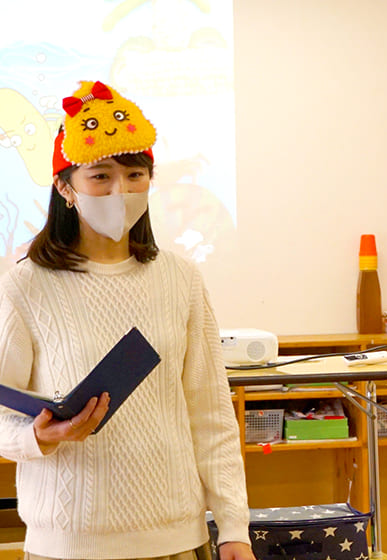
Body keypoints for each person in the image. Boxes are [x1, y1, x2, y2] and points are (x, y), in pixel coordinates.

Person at [0, 80, 253, 560]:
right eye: (101, 176)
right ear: (65, 187)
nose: (122, 190)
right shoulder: (25, 285)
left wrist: (234, 526)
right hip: (68, 545)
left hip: (176, 538)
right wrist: (37, 436)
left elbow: (211, 416)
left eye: (136, 175)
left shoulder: (180, 278)